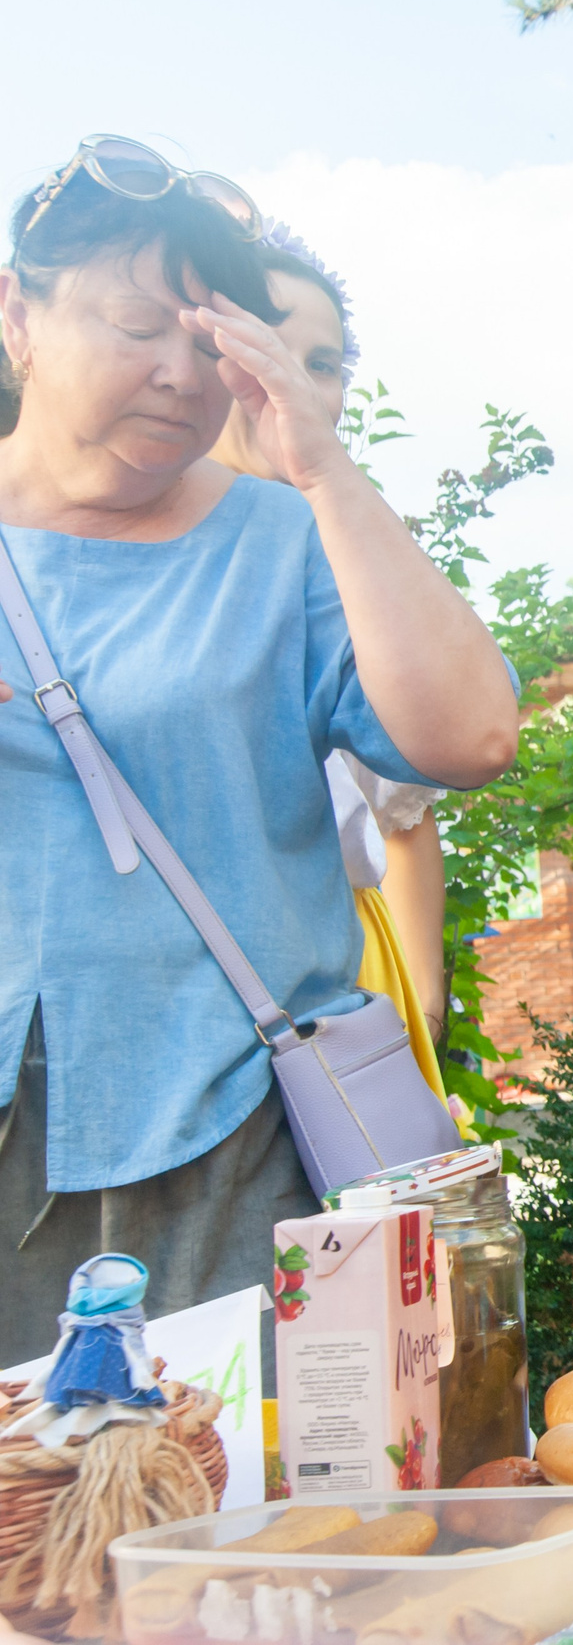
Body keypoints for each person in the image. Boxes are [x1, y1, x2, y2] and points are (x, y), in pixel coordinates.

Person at [0, 139, 517, 1368]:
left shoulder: (282, 539)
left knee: (250, 1474)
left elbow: (470, 736)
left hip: (236, 1126)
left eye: (209, 340)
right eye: (137, 327)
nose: (180, 374)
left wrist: (322, 467)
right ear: (17, 316)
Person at [206, 226, 451, 1100]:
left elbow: (408, 812)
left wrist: (423, 1003)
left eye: (323, 363)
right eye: (269, 350)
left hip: (343, 969)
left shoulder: (354, 556)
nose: (298, 385)